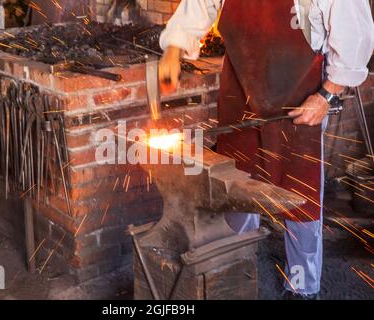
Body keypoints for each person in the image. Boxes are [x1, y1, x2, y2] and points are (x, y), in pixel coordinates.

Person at [158, 0, 374, 299]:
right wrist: (174, 47)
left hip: (298, 92)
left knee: (299, 191)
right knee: (236, 176)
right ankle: (236, 262)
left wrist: (327, 95)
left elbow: (353, 32)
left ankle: (301, 284)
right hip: (240, 85)